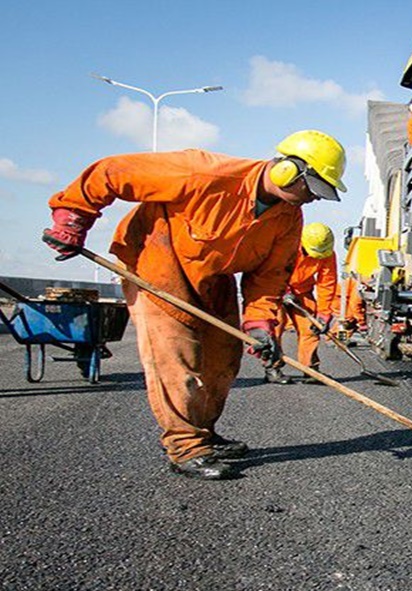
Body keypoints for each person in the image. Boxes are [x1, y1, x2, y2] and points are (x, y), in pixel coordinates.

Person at [42, 130, 348, 480]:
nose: (313, 200)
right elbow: (112, 173)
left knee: (224, 358)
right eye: (312, 189)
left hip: (215, 276)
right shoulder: (203, 173)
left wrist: (260, 324)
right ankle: (185, 445)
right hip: (157, 262)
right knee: (176, 357)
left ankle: (204, 431)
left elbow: (269, 276)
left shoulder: (288, 218)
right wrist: (73, 218)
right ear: (287, 171)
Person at [265, 222, 340, 384]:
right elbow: (272, 269)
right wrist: (283, 290)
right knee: (274, 328)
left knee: (311, 329)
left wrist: (324, 314)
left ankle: (310, 369)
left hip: (303, 291)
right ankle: (273, 368)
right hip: (276, 290)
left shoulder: (327, 253)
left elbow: (327, 282)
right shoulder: (287, 244)